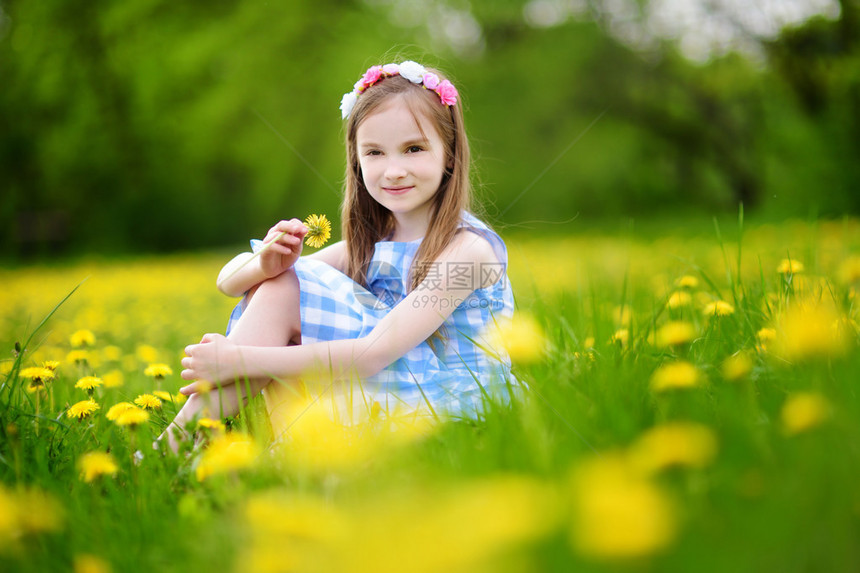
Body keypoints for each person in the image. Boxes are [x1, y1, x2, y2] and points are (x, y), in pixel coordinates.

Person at [160, 60, 515, 452]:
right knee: (282, 281)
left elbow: (373, 354)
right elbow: (227, 282)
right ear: (357, 160)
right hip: (395, 391)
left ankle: (173, 449)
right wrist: (265, 263)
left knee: (289, 292)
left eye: (413, 149)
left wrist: (241, 360)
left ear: (449, 154)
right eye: (375, 152)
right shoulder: (374, 244)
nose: (393, 170)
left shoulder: (469, 250)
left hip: (454, 410)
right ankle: (178, 448)